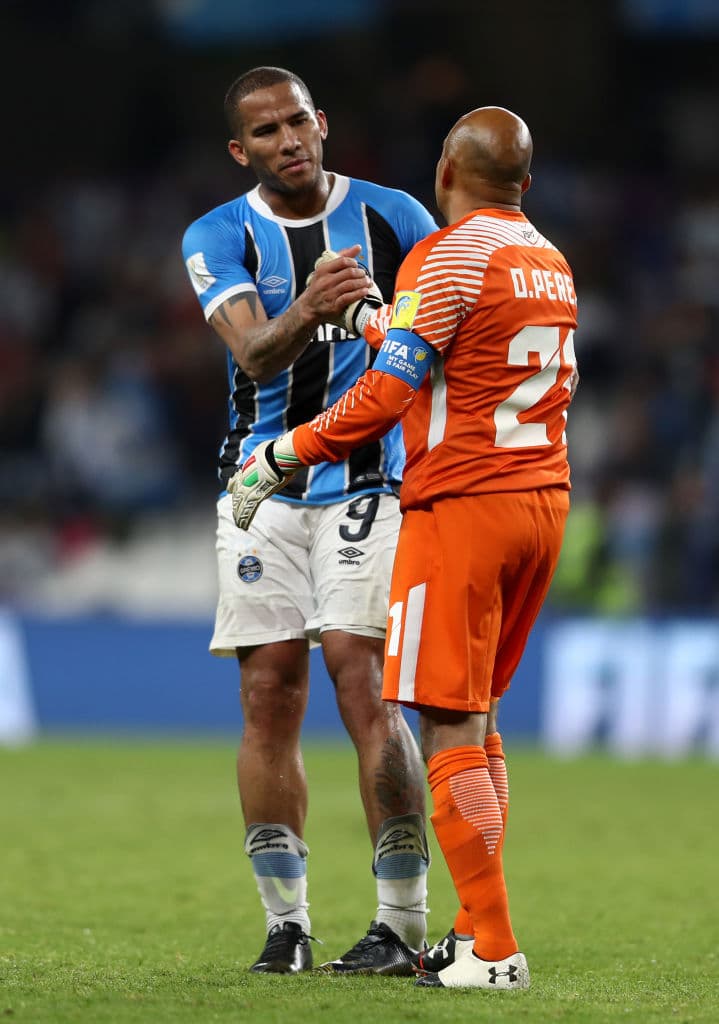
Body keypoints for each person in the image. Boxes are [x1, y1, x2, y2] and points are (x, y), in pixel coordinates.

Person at [229, 105, 578, 990]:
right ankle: (467, 931)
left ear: (444, 172)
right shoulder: (546, 259)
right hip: (540, 500)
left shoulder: (447, 252)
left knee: (446, 724)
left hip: (461, 507)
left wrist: (286, 452)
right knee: (479, 721)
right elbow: (470, 355)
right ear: (524, 183)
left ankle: (494, 949)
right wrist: (379, 321)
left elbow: (389, 398)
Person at [181, 66, 439, 975]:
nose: (286, 140)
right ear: (239, 150)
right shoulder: (218, 233)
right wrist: (316, 303)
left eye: (297, 121)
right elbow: (254, 357)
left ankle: (400, 925)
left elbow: (442, 337)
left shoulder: (397, 217)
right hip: (261, 488)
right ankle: (286, 925)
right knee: (267, 694)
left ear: (323, 122)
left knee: (362, 680)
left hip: (368, 482)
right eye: (264, 132)